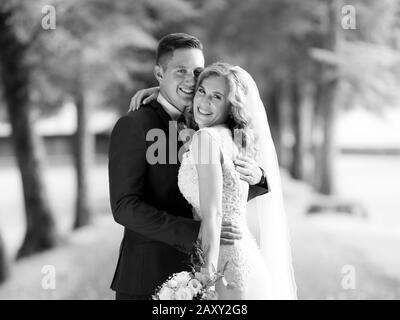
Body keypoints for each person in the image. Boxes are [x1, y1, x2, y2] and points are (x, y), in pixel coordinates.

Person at [108, 33, 270, 300]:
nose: (191, 80)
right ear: (159, 73)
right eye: (180, 71)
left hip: (209, 274)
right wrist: (197, 231)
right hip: (149, 277)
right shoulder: (134, 125)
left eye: (197, 71)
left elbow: (225, 191)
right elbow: (125, 206)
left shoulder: (206, 119)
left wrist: (259, 177)